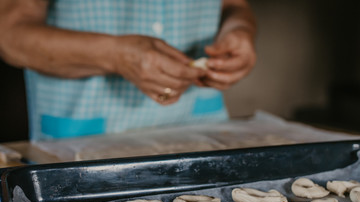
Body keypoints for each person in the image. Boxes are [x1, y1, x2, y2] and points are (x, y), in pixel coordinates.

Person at [0, 0, 256, 141]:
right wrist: (116, 56)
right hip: (82, 143)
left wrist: (239, 28)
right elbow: (9, 34)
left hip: (203, 131)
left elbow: (234, 6)